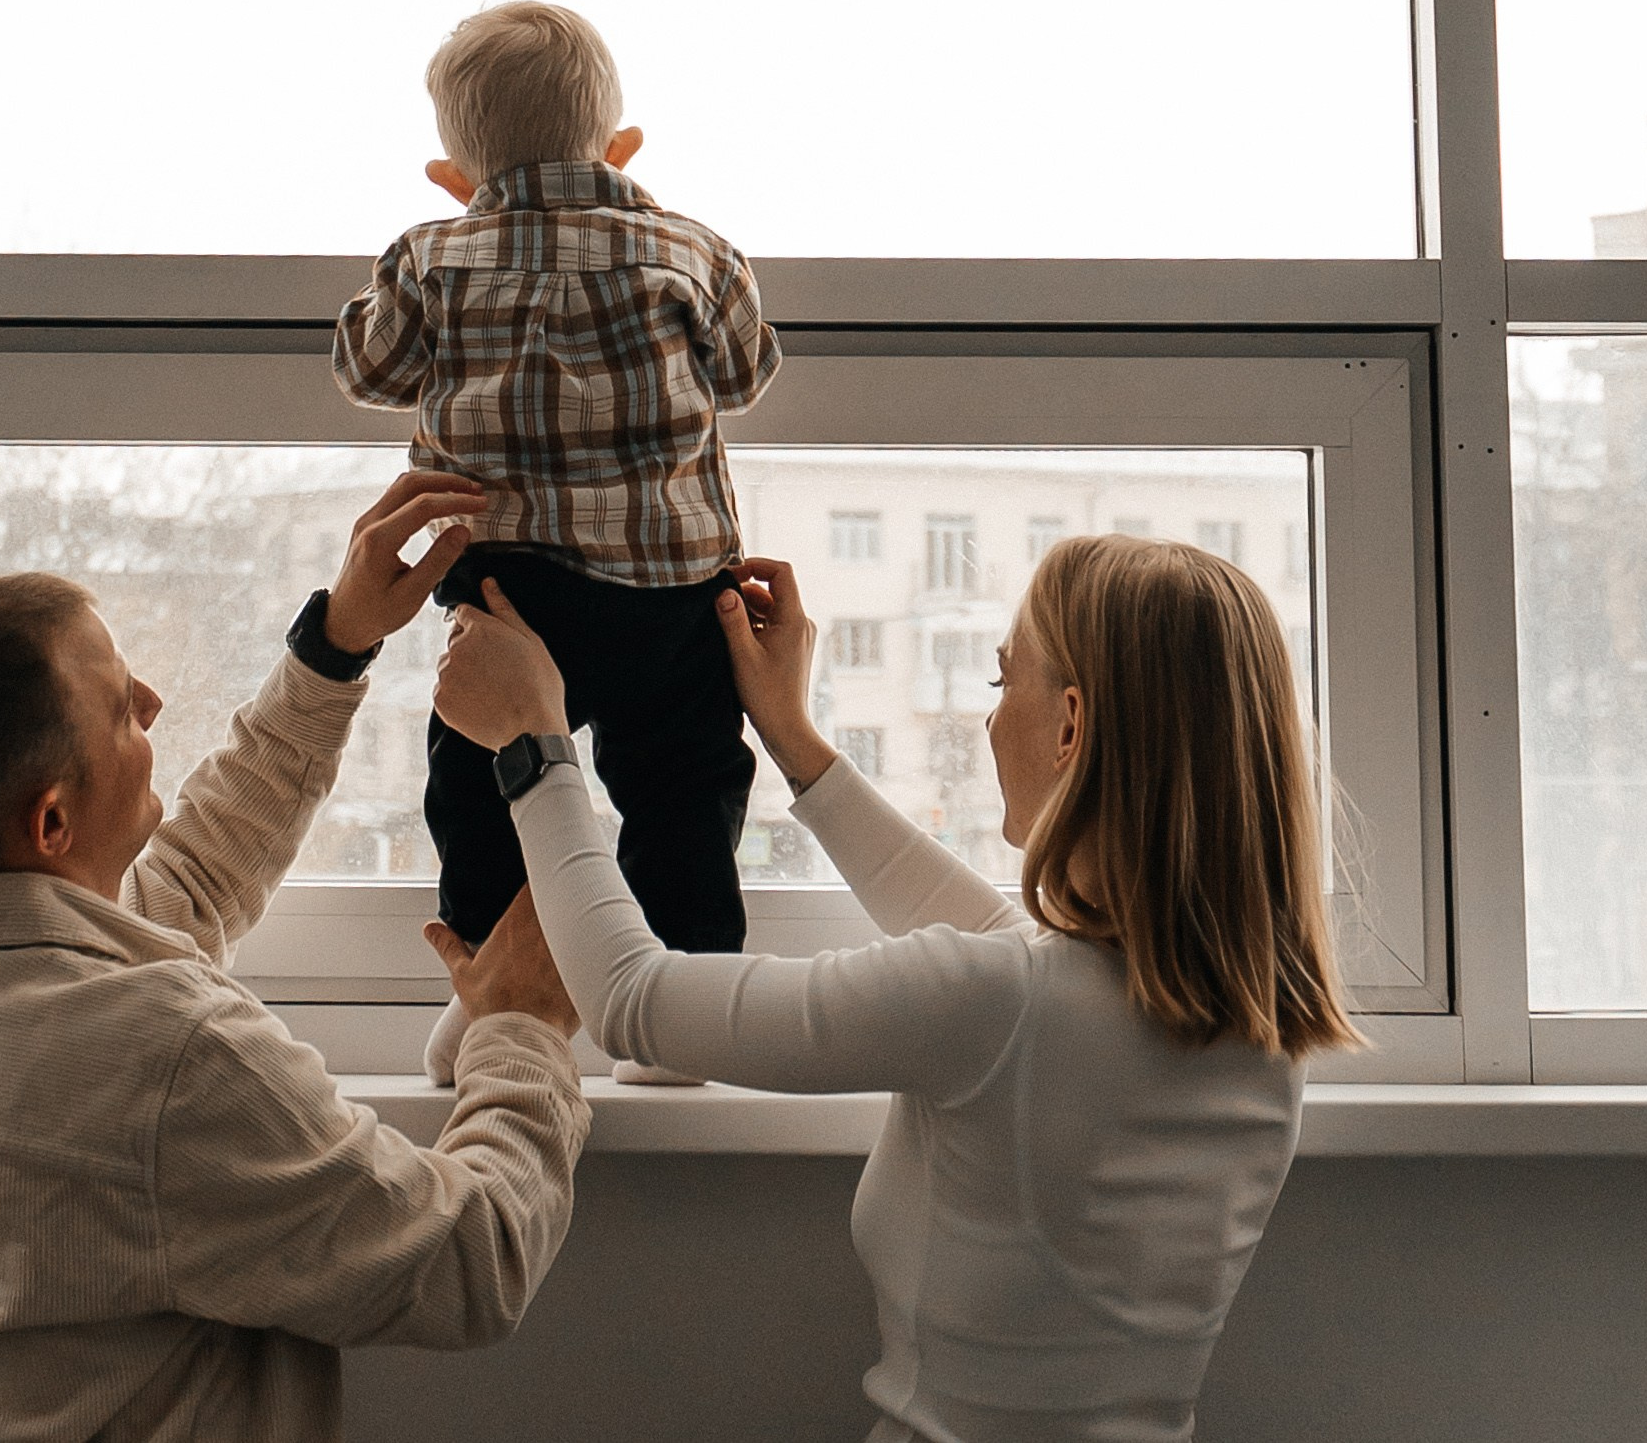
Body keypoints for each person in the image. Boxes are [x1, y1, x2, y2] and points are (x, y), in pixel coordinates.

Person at [437, 529, 1362, 1443]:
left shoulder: (1006, 1003)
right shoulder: (1259, 1024)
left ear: (1071, 724)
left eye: (1004, 682)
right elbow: (980, 936)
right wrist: (792, 737)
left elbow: (632, 1001)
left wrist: (536, 748)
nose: (989, 718)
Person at [0, 468, 588, 1443]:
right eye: (114, 706)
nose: (150, 697)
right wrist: (519, 1031)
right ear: (51, 819)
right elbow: (465, 1264)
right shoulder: (164, 1054)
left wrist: (335, 645)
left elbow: (178, 885)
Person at [332, 0, 780, 1087]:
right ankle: (685, 1009)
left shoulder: (430, 256)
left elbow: (367, 371)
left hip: (509, 590)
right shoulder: (695, 249)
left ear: (452, 173)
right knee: (679, 787)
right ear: (620, 150)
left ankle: (490, 988)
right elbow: (743, 374)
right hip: (670, 591)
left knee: (484, 782)